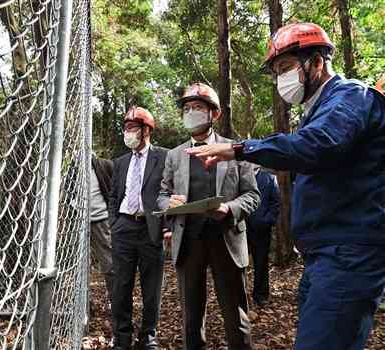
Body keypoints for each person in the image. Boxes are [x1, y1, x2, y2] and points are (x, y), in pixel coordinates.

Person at [186, 22, 385, 350]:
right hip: (323, 255)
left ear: (317, 63)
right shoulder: (318, 109)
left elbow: (317, 144)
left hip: (349, 256)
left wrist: (240, 148)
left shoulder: (350, 96)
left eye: (286, 68)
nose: (281, 80)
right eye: (276, 72)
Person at [156, 83, 260, 350]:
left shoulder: (236, 150)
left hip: (226, 238)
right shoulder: (175, 155)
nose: (191, 113)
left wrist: (229, 209)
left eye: (198, 108)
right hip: (188, 240)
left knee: (235, 314)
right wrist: (169, 202)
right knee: (191, 314)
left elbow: (252, 195)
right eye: (187, 108)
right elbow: (161, 194)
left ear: (214, 114)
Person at [109, 106, 168, 350]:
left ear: (146, 130)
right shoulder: (120, 162)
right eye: (125, 129)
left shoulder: (164, 157)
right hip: (124, 227)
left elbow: (170, 192)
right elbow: (114, 195)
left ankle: (148, 336)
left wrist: (166, 225)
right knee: (121, 285)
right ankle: (122, 337)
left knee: (151, 286)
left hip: (150, 228)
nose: (127, 133)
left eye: (132, 128)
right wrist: (115, 223)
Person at [246, 166, 280, 307]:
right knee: (236, 264)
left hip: (261, 229)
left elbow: (276, 202)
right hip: (239, 228)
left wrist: (267, 221)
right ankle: (238, 295)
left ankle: (261, 295)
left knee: (261, 263)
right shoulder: (238, 175)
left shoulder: (270, 178)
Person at [90, 154, 115, 305]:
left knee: (109, 264)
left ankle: (116, 301)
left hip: (101, 221)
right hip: (80, 223)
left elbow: (117, 191)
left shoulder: (104, 165)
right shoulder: (73, 169)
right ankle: (85, 303)